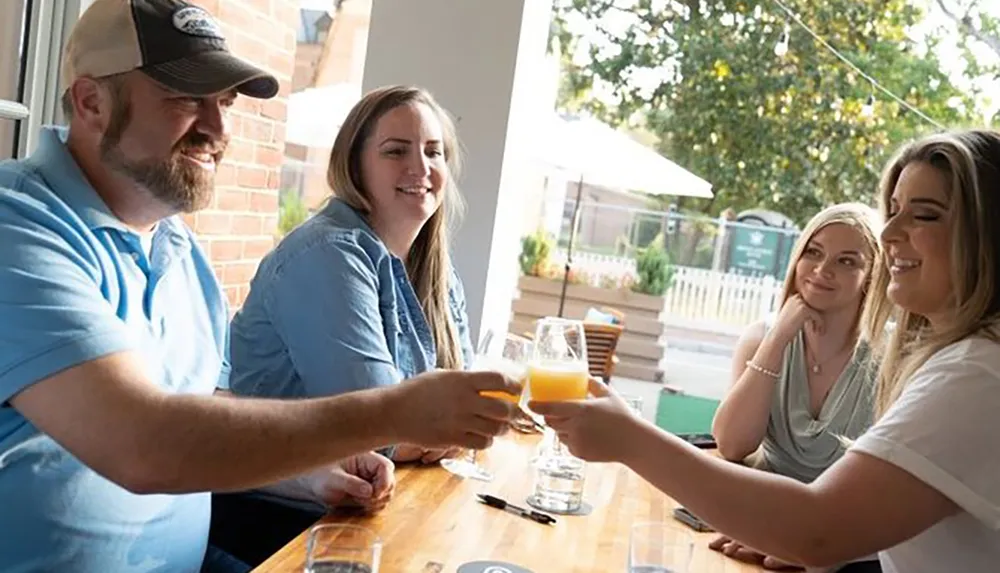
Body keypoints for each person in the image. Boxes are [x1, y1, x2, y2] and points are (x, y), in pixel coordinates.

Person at [0, 2, 519, 572]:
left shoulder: (177, 248)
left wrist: (310, 474)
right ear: (91, 102)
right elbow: (144, 443)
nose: (220, 129)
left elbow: (200, 404)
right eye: (186, 97)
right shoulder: (17, 226)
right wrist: (395, 413)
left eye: (224, 101)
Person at [532, 129, 1000, 572]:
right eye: (893, 210)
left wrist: (630, 439)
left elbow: (820, 528)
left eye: (925, 215)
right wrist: (807, 541)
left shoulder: (977, 374)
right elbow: (845, 523)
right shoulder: (958, 360)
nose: (890, 232)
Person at [215, 85, 474, 564]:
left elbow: (461, 409)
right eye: (396, 151)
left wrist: (434, 430)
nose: (420, 168)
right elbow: (374, 426)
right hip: (276, 521)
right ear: (354, 167)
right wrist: (424, 433)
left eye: (433, 151)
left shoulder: (434, 268)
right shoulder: (328, 253)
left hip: (366, 508)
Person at [709, 204, 884, 570]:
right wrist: (778, 338)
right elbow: (732, 444)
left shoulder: (891, 360)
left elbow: (890, 495)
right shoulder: (762, 337)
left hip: (850, 547)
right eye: (814, 252)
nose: (822, 270)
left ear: (872, 277)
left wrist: (814, 547)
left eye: (847, 261)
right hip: (762, 525)